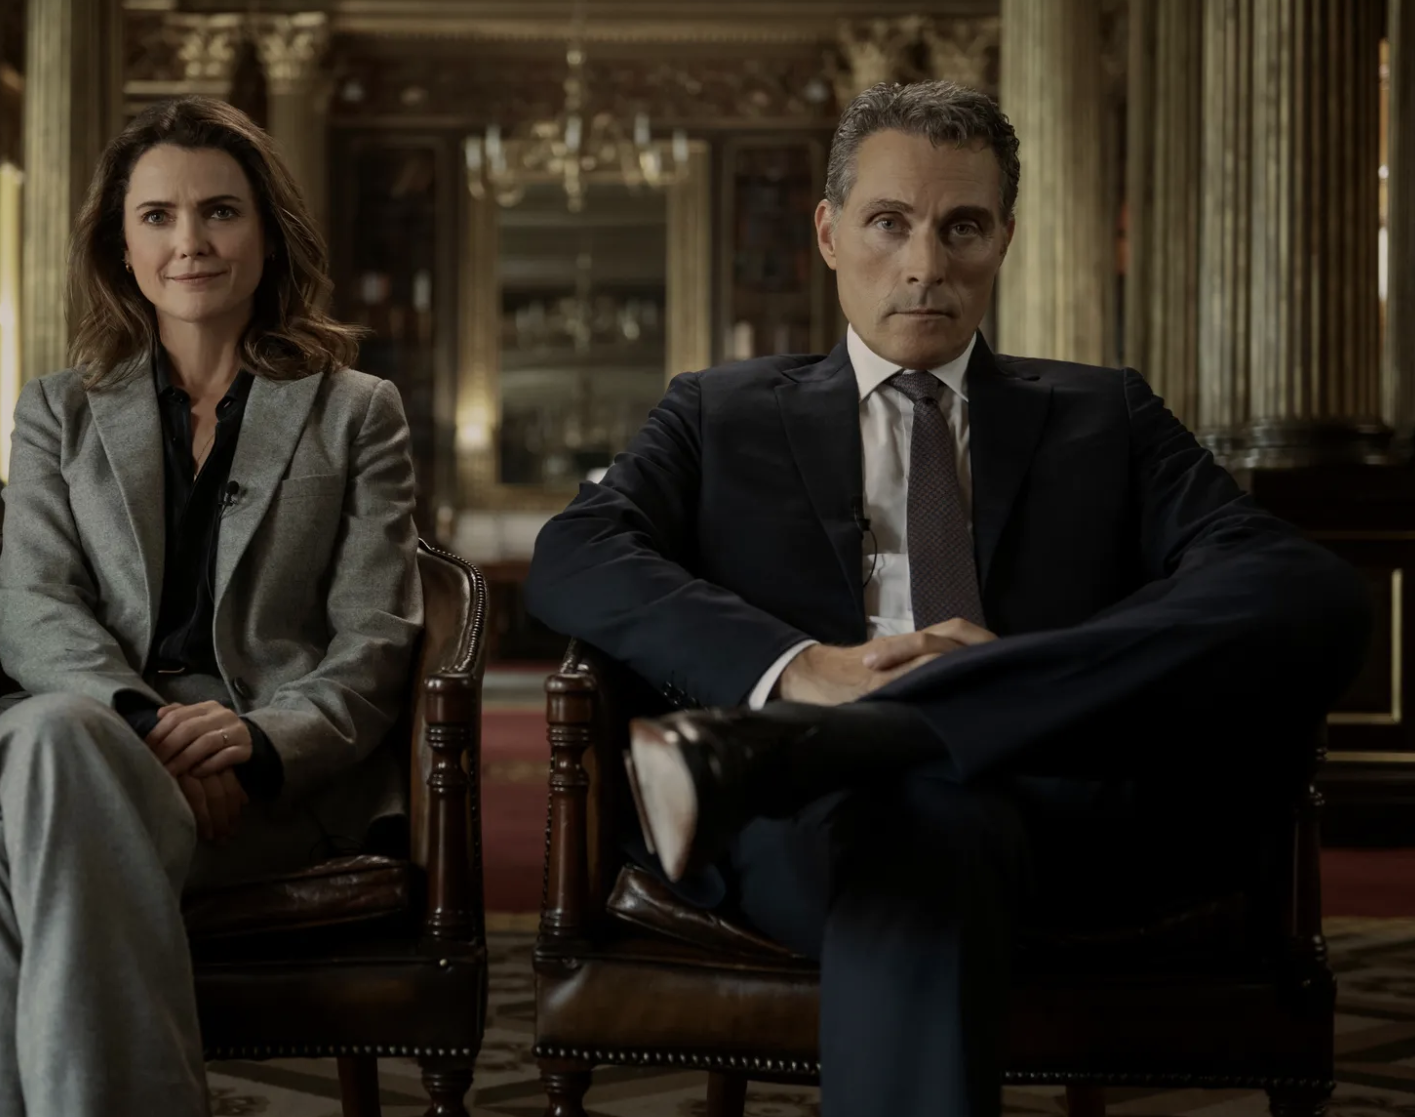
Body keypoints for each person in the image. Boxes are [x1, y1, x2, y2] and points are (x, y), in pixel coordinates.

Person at [524, 80, 1370, 1117]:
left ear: (1004, 238)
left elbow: (1278, 579)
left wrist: (1002, 682)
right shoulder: (717, 412)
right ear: (829, 233)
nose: (925, 264)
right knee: (925, 826)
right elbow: (575, 552)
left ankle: (860, 734)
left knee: (1317, 594)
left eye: (962, 226)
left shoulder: (1104, 413)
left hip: (1059, 802)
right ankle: (857, 739)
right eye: (890, 222)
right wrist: (801, 672)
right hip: (811, 820)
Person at [0, 96, 423, 1117]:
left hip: (261, 782)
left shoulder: (357, 410)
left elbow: (374, 637)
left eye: (220, 211)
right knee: (60, 735)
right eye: (157, 216)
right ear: (122, 246)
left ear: (267, 234)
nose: (190, 242)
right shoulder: (56, 410)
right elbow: (35, 604)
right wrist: (144, 730)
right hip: (89, 729)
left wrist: (252, 742)